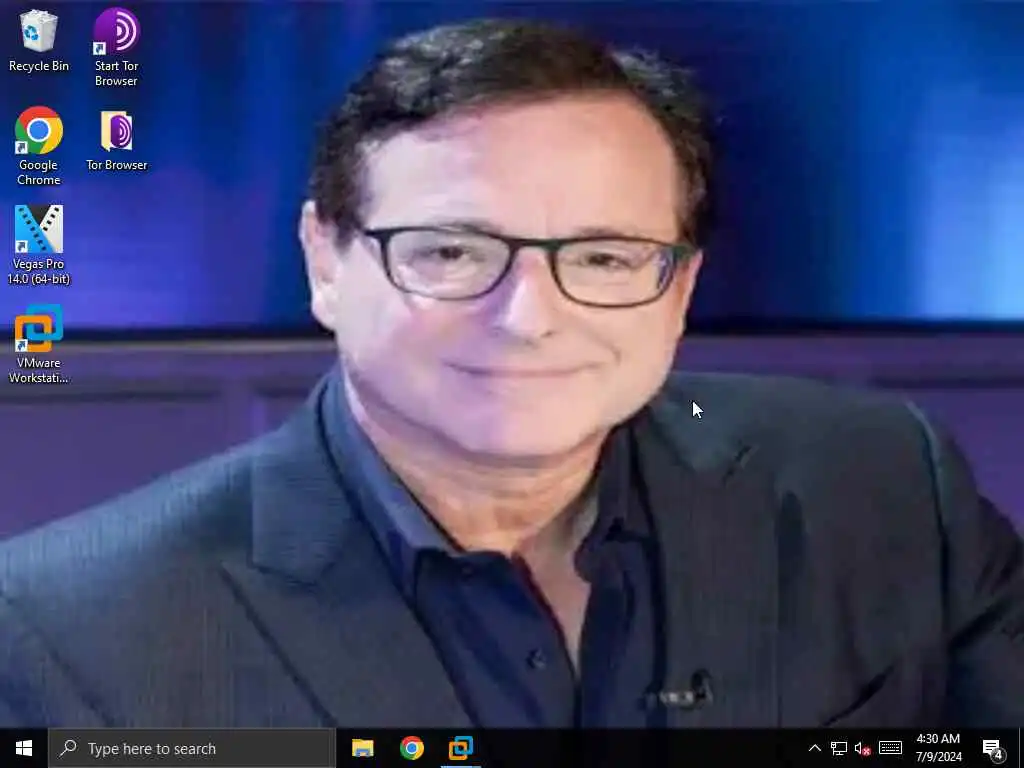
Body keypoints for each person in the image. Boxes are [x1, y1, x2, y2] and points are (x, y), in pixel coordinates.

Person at [1, 18, 1021, 729]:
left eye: (606, 257)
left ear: (679, 287)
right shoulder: (68, 631)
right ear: (325, 263)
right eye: (450, 252)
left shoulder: (887, 487)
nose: (530, 319)